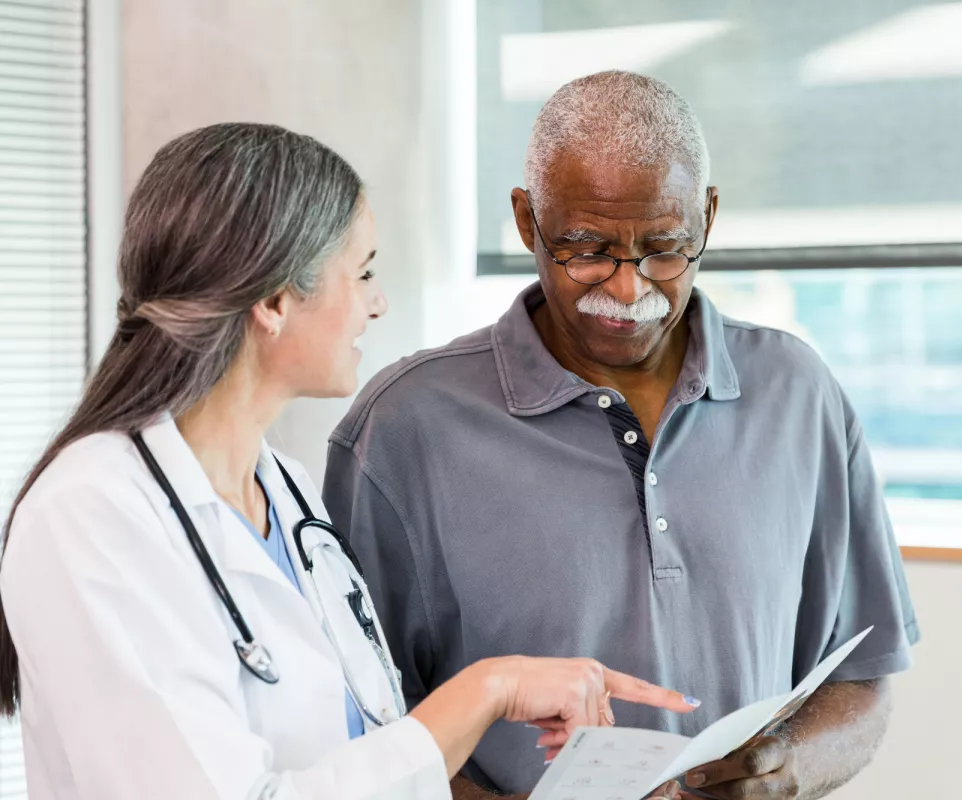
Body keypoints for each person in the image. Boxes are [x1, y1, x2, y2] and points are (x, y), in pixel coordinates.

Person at [0, 123, 699, 800]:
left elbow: (364, 757)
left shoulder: (287, 494)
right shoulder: (93, 514)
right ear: (274, 300)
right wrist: (490, 689)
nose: (377, 303)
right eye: (361, 273)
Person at [324, 70, 920, 800]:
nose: (629, 287)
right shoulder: (403, 428)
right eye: (586, 249)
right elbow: (362, 730)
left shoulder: (798, 393)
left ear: (708, 217)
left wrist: (787, 771)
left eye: (665, 249)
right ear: (525, 222)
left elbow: (863, 675)